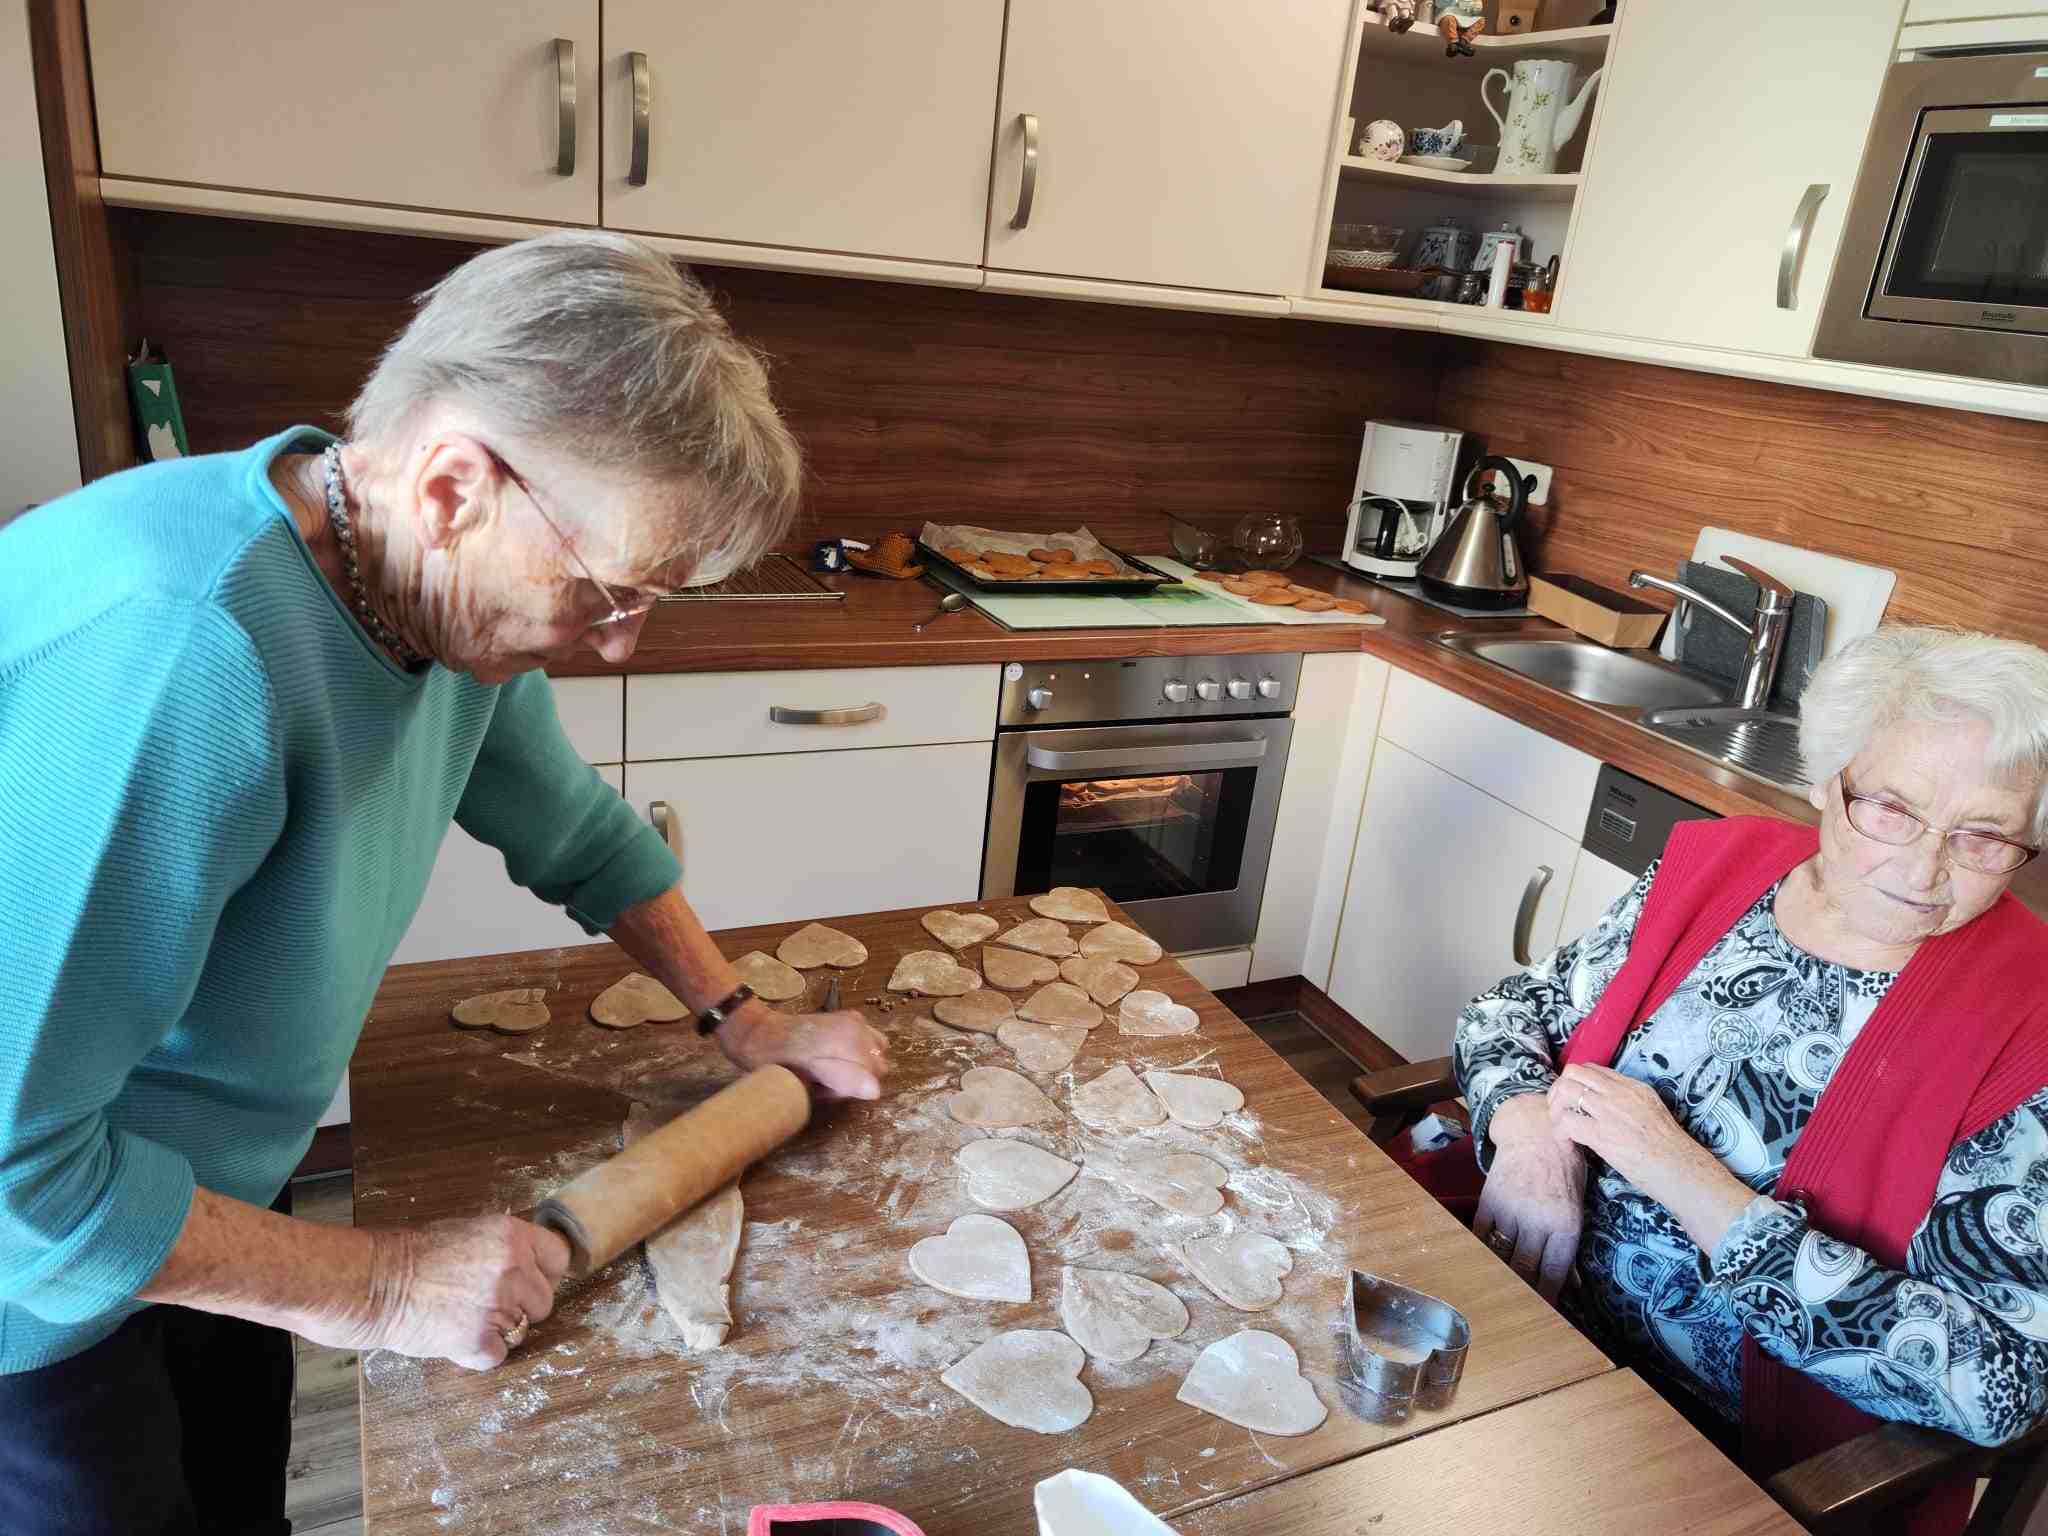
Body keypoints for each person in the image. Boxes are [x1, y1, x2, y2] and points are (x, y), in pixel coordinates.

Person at [0, 231, 889, 1535]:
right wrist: (385, 1285)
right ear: (456, 484)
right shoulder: (185, 653)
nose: (619, 643)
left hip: (202, 1206)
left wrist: (745, 1023)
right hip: (37, 1291)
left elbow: (579, 833)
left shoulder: (420, 595)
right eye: (606, 591)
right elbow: (15, 1173)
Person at [1453, 624, 2048, 1533]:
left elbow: (1999, 1384)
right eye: (1891, 809)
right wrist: (1527, 1127)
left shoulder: (2029, 1027)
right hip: (1530, 1316)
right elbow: (1511, 1012)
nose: (1925, 869)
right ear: (1825, 779)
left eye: (1983, 838)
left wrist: (1696, 1185)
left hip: (1743, 1463)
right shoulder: (1718, 866)